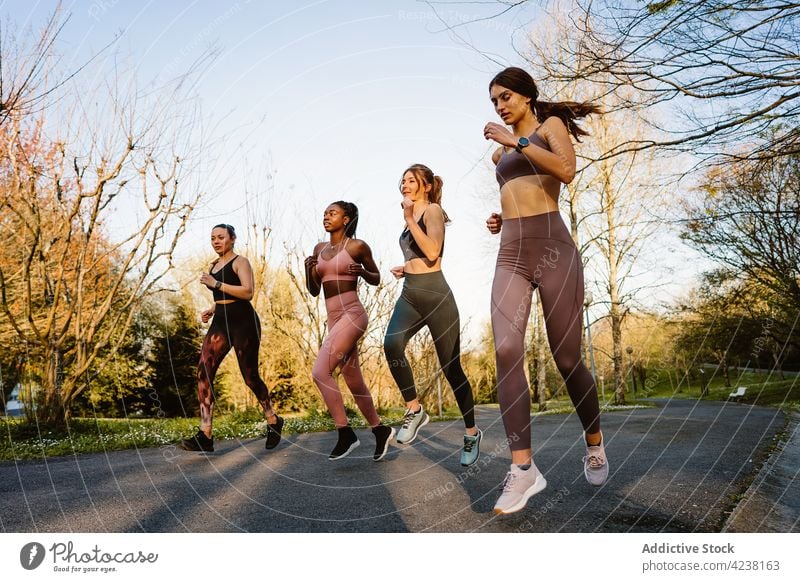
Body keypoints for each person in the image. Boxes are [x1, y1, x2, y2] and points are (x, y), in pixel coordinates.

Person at [483, 67, 608, 514]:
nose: (500, 105)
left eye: (506, 96)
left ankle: (593, 439)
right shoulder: (499, 157)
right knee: (506, 347)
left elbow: (566, 172)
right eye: (494, 99)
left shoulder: (548, 127)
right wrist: (500, 218)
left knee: (568, 358)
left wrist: (514, 140)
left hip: (554, 250)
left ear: (528, 96)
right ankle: (523, 470)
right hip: (511, 252)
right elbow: (518, 192)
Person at [383, 164, 481, 467]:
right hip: (411, 293)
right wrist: (406, 267)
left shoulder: (432, 211)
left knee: (452, 369)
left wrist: (410, 218)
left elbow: (433, 251)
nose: (404, 184)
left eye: (411, 180)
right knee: (391, 344)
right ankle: (414, 409)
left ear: (425, 186)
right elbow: (417, 255)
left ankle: (471, 432)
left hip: (436, 295)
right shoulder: (410, 217)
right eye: (402, 180)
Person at [179, 224, 283, 452]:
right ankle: (205, 434)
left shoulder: (240, 262)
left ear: (232, 238)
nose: (216, 241)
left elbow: (247, 292)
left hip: (244, 322)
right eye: (213, 238)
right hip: (221, 322)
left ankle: (273, 420)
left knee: (250, 377)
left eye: (221, 237)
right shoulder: (214, 265)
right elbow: (224, 296)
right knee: (203, 371)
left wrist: (215, 284)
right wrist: (213, 308)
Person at [304, 201, 395, 461]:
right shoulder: (319, 249)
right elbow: (313, 289)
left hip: (353, 315)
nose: (326, 216)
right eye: (324, 213)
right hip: (333, 319)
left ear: (346, 219)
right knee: (353, 379)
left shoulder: (357, 246)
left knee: (320, 372)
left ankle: (345, 433)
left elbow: (376, 277)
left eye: (332, 213)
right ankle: (379, 430)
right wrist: (308, 268)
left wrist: (363, 272)